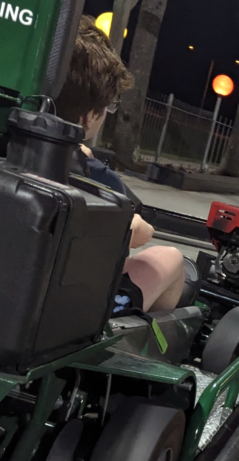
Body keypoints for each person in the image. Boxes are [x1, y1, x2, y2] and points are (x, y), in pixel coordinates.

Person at [55, 16, 184, 313]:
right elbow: (140, 232)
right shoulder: (91, 178)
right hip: (67, 311)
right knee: (170, 258)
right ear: (89, 117)